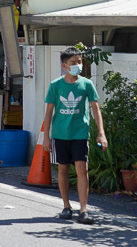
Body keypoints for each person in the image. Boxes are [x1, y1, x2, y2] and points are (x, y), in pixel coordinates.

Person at [42, 47, 107, 225]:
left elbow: (95, 108)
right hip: (60, 134)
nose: (78, 65)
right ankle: (66, 206)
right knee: (63, 169)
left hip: (80, 133)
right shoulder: (55, 85)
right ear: (64, 65)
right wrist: (46, 138)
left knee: (82, 169)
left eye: (79, 61)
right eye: (73, 62)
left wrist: (101, 133)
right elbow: (48, 112)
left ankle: (83, 209)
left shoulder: (86, 84)